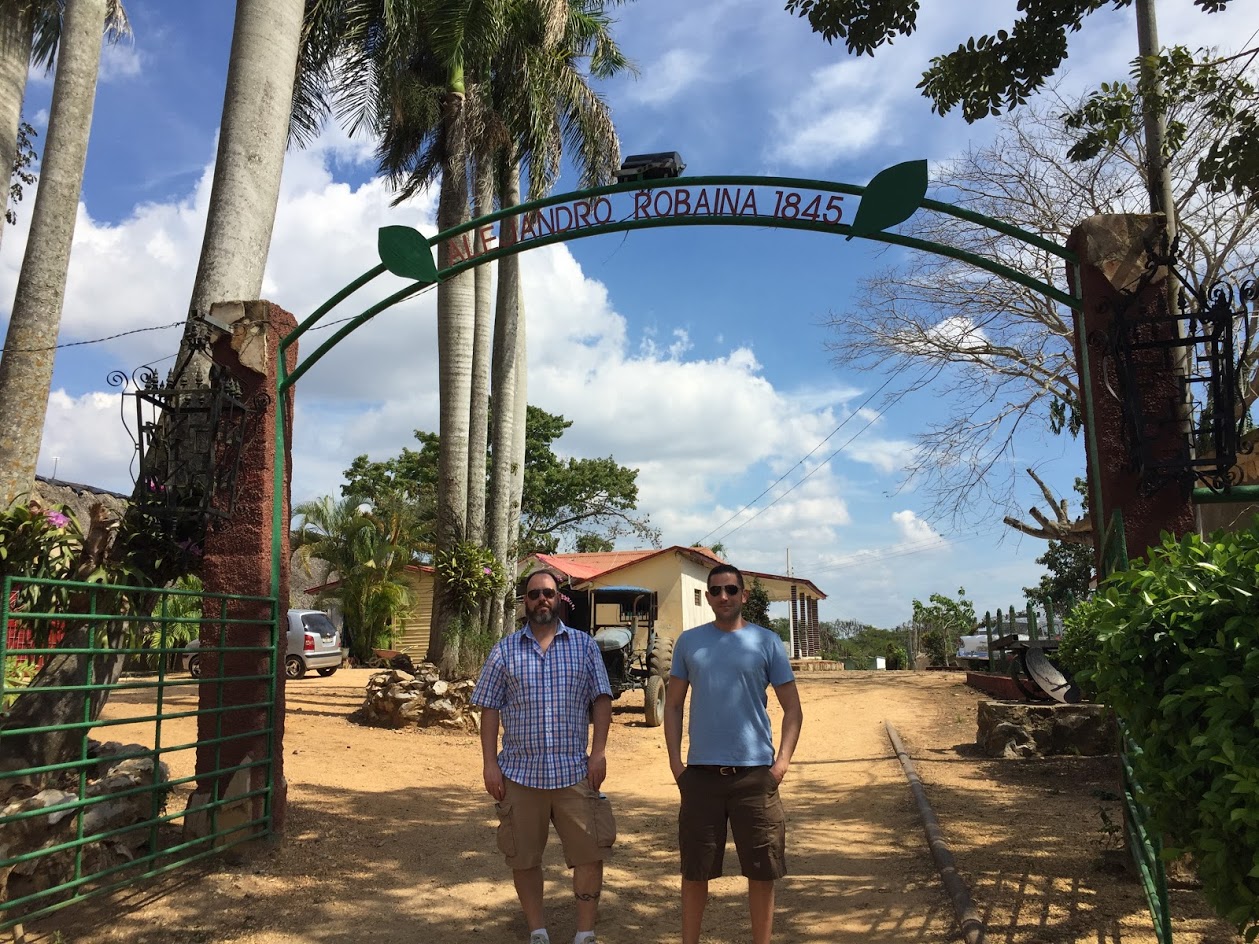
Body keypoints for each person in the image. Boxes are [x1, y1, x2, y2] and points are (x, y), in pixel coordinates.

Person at [472, 569, 616, 944]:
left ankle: (585, 933)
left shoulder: (584, 646)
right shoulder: (504, 650)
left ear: (558, 598)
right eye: (534, 594)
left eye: (548, 593)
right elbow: (489, 709)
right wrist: (490, 764)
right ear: (525, 601)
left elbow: (601, 700)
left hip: (574, 773)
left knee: (588, 855)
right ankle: (538, 931)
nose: (541, 600)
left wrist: (598, 752)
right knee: (524, 858)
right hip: (520, 775)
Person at [664, 563, 803, 944]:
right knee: (695, 872)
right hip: (701, 777)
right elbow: (673, 705)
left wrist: (781, 764)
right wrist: (677, 765)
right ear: (707, 597)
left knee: (762, 873)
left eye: (730, 590)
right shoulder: (689, 643)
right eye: (715, 590)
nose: (722, 596)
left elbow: (793, 708)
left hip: (756, 777)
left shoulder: (767, 642)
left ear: (744, 596)